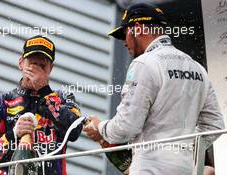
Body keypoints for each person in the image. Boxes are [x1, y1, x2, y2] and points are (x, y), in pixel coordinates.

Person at [84, 3, 225, 175]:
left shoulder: (144, 63)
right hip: (186, 168)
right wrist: (184, 146)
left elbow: (125, 128)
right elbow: (215, 125)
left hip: (149, 168)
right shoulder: (197, 68)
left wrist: (101, 127)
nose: (124, 43)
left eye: (124, 33)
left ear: (137, 29)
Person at [0, 35, 83, 175]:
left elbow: (75, 131)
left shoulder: (64, 98)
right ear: (21, 63)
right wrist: (13, 134)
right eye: (32, 65)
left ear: (51, 69)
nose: (36, 72)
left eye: (42, 66)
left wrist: (45, 92)